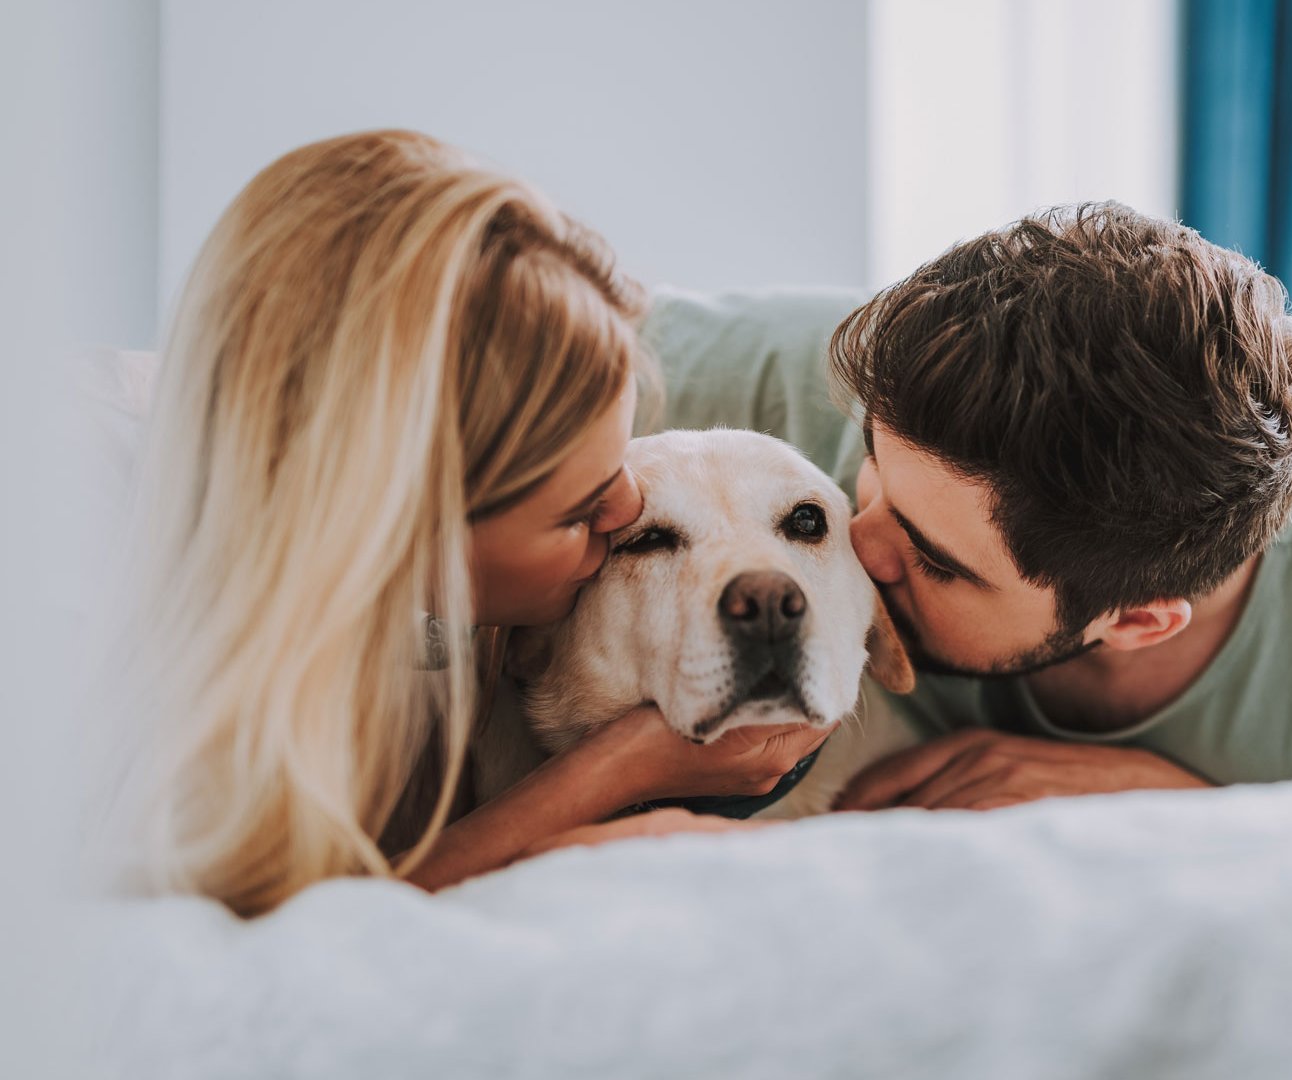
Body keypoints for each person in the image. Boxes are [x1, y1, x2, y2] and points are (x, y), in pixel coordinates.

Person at [105, 130, 818, 916]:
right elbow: (277, 934)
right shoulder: (93, 625)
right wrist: (616, 771)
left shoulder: (423, 618)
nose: (624, 510)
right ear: (402, 527)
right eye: (579, 512)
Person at [649, 203, 1292, 812]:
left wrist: (1180, 808)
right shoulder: (788, 386)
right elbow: (521, 320)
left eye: (933, 560)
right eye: (868, 473)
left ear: (1140, 619)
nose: (852, 540)